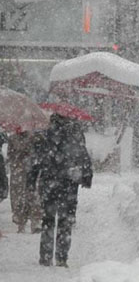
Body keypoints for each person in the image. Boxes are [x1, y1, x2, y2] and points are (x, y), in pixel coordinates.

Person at [28, 113, 93, 267]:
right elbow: (84, 157)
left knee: (48, 220)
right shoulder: (75, 136)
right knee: (65, 221)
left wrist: (31, 182)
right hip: (69, 184)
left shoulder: (44, 137)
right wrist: (87, 177)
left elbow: (35, 162)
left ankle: (46, 256)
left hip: (49, 183)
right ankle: (62, 257)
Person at [8, 130, 43, 233]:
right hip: (18, 171)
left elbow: (39, 151)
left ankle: (35, 222)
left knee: (32, 196)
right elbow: (10, 155)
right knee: (19, 198)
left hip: (31, 171)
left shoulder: (36, 137)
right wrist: (20, 155)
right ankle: (21, 223)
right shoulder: (13, 138)